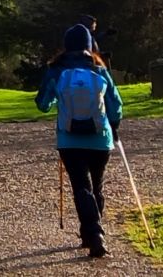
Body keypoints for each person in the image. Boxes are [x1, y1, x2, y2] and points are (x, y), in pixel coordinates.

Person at [36, 23, 123, 260]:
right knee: (96, 187)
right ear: (89, 45)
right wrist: (114, 125)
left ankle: (94, 234)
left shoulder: (56, 70)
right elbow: (115, 104)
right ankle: (91, 233)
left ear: (66, 45)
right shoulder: (99, 69)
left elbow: (42, 104)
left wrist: (56, 99)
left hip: (70, 139)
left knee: (81, 188)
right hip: (100, 138)